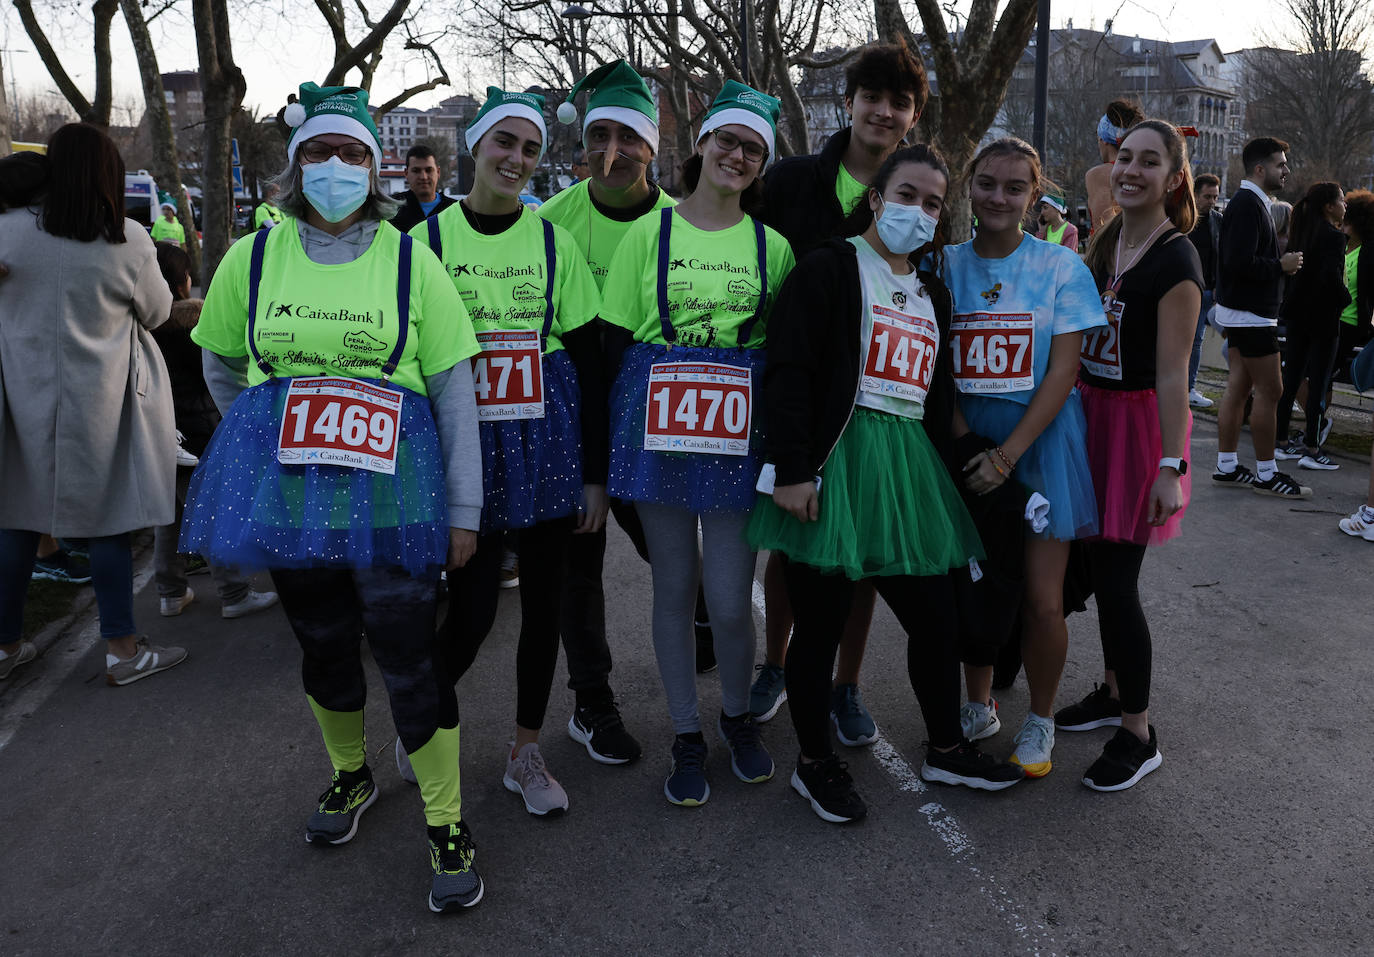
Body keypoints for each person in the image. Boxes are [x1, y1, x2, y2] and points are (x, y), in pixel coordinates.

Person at [181, 83, 484, 912]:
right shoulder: (253, 254)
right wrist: (263, 422)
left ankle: (446, 819)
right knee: (321, 643)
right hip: (293, 495)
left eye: (354, 153)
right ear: (296, 163)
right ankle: (351, 776)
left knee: (409, 655)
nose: (337, 167)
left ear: (374, 167)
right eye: (321, 151)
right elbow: (219, 365)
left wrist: (465, 512)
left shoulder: (411, 257)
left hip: (391, 495)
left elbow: (455, 392)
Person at [749, 145, 1024, 822]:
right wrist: (791, 470)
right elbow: (788, 372)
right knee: (821, 626)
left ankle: (946, 747)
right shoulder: (829, 266)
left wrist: (987, 463)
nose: (919, 211)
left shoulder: (934, 290)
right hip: (837, 463)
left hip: (908, 469)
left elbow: (936, 395)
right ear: (876, 197)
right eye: (906, 195)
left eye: (933, 203)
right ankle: (814, 764)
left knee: (937, 618)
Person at [412, 86, 606, 817]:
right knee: (470, 611)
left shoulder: (553, 241)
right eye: (505, 143)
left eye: (530, 148)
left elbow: (587, 364)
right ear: (474, 146)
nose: (517, 159)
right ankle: (424, 716)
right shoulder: (425, 243)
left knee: (546, 607)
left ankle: (525, 750)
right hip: (468, 441)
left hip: (546, 434)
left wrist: (592, 475)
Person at [602, 81, 796, 806]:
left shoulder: (770, 247)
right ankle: (686, 732)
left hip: (735, 427)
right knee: (674, 586)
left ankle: (738, 717)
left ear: (762, 162)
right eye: (728, 141)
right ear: (703, 144)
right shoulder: (644, 235)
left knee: (727, 592)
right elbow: (615, 341)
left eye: (752, 148)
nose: (737, 156)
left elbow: (782, 355)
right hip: (657, 422)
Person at [751, 40, 930, 741]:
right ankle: (775, 661)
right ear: (849, 101)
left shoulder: (916, 189)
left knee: (860, 559)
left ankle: (847, 684)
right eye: (873, 97)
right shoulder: (792, 181)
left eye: (900, 102)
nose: (884, 112)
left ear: (912, 116)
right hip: (799, 394)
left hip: (876, 405)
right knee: (790, 546)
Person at [0, 123, 185, 686]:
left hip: (20, 398)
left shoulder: (7, 232)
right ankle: (123, 652)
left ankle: (5, 647)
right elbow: (156, 312)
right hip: (101, 402)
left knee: (16, 521)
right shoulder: (126, 238)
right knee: (108, 524)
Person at [944, 137, 1105, 779]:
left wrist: (1006, 459)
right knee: (974, 582)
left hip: (1038, 446)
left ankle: (1039, 717)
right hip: (964, 442)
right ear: (969, 185)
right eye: (987, 183)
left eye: (1015, 188)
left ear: (1034, 196)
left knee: (1041, 597)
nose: (999, 198)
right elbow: (936, 373)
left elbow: (1063, 373)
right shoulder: (944, 265)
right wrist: (968, 447)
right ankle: (977, 702)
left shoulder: (1063, 268)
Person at [541, 59, 679, 765]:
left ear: (655, 147)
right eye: (599, 136)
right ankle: (591, 701)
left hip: (655, 430)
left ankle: (705, 636)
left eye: (630, 138)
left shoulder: (682, 227)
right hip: (575, 425)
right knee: (578, 568)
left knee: (676, 558)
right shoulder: (551, 223)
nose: (612, 153)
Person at [1058, 119, 1202, 790]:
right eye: (1124, 158)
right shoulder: (1112, 237)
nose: (1129, 170)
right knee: (1094, 566)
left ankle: (1139, 731)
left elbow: (1175, 376)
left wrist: (1171, 467)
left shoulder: (1177, 260)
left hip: (1139, 430)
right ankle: (1113, 688)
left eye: (1150, 162)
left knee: (1117, 584)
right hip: (1090, 415)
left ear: (1175, 178)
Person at [149, 243, 279, 620]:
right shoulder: (193, 328)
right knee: (216, 513)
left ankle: (170, 592)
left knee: (170, 518)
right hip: (199, 435)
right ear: (183, 282)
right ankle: (234, 593)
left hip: (161, 435)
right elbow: (216, 378)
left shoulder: (145, 331)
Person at [1211, 136, 1309, 497]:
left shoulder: (1251, 203)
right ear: (1260, 168)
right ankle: (1267, 474)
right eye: (1281, 164)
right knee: (1272, 390)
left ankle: (1226, 467)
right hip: (1251, 315)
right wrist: (1280, 266)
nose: (1286, 170)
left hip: (1243, 314)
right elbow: (1239, 262)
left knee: (1239, 388)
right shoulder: (1248, 204)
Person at [1274, 182, 1349, 470]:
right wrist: (1345, 299)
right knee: (1318, 383)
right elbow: (1331, 276)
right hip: (1324, 317)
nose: (1345, 205)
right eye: (1341, 200)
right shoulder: (1332, 237)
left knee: (1291, 379)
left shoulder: (1302, 232)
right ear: (1329, 206)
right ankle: (1312, 448)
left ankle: (1281, 441)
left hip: (1297, 315)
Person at [1187, 173, 1222, 408]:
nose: (1211, 201)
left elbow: (1222, 256)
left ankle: (1189, 387)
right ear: (1195, 195)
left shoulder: (1218, 220)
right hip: (1186, 288)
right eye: (1207, 196)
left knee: (1197, 340)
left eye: (1215, 197)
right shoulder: (1185, 219)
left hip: (1208, 290)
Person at [1085, 99, 1144, 232]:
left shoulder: (1099, 175)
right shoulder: (1147, 171)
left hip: (1116, 250)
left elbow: (1103, 227)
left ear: (1103, 140)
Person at [390, 144, 458, 233]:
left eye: (429, 170)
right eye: (416, 171)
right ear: (406, 173)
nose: (423, 177)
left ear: (438, 172)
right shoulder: (391, 208)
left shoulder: (455, 210)